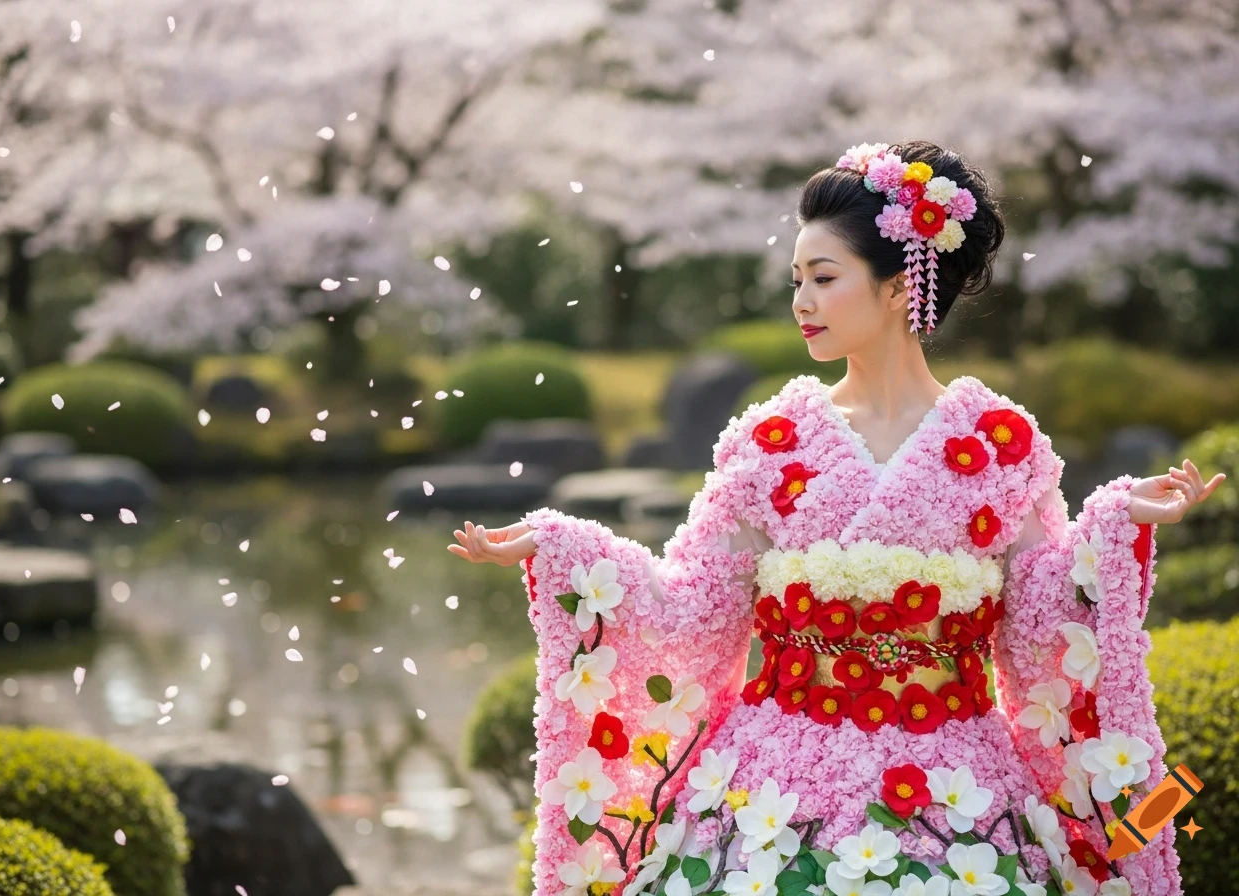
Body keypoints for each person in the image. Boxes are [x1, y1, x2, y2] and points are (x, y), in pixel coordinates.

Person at [447, 140, 1225, 896]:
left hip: (959, 789)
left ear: (897, 286)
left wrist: (1117, 524)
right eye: (796, 280)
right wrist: (567, 550)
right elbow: (689, 607)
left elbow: (1043, 616)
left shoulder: (998, 444)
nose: (800, 303)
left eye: (823, 277)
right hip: (772, 790)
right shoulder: (768, 443)